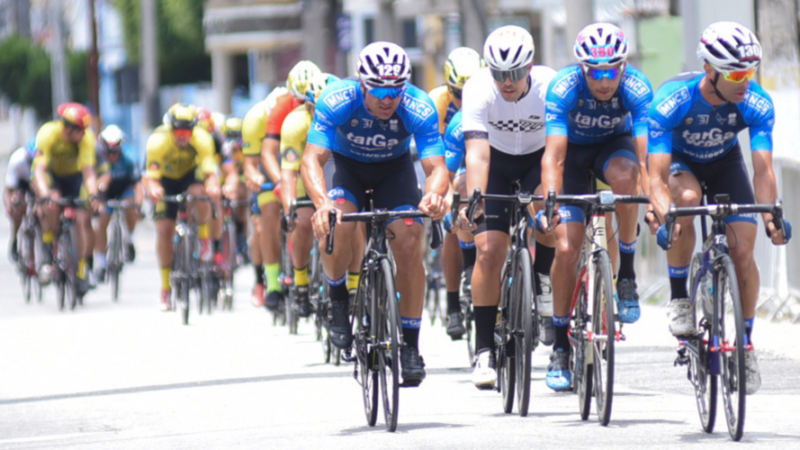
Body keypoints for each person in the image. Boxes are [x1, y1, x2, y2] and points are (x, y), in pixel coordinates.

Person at [648, 22, 790, 395]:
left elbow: (763, 170)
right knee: (688, 203)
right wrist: (664, 214)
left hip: (725, 162)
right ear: (710, 70)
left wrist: (771, 217)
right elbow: (656, 178)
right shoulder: (672, 100)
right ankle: (680, 298)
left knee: (743, 249)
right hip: (681, 163)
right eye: (736, 72)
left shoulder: (756, 102)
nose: (746, 80)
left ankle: (744, 344)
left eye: (751, 70)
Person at [302, 42, 449, 386]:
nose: (387, 99)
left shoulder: (417, 105)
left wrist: (434, 195)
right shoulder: (338, 99)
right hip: (345, 166)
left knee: (410, 240)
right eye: (378, 90)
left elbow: (436, 167)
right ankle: (338, 298)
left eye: (394, 90)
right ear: (362, 84)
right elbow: (312, 159)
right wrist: (322, 202)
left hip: (393, 170)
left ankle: (410, 347)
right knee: (336, 225)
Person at [538, 23, 653, 391]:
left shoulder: (637, 87)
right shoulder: (563, 88)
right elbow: (553, 156)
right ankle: (559, 346)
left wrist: (652, 200)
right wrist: (552, 200)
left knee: (626, 175)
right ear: (582, 69)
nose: (605, 81)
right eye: (595, 72)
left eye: (612, 71)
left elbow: (647, 155)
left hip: (612, 149)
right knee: (568, 249)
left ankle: (628, 276)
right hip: (571, 158)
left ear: (622, 67)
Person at [458, 25, 556, 389]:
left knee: (548, 218)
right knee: (488, 251)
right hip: (495, 163)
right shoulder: (479, 89)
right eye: (500, 74)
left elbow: (557, 152)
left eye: (514, 73)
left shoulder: (549, 86)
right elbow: (477, 152)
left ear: (529, 67)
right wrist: (477, 195)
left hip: (537, 161)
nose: (507, 82)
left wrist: (551, 191)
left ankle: (543, 276)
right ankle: (483, 350)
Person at [243, 61, 322, 311]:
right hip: (277, 165)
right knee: (270, 215)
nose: (302, 107)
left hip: (302, 161)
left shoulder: (318, 104)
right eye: (298, 101)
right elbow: (258, 160)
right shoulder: (267, 113)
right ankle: (273, 283)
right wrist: (275, 181)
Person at [429, 47, 485, 340]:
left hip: (482, 156)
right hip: (448, 160)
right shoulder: (437, 102)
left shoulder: (491, 96)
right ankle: (453, 302)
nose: (465, 100)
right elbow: (437, 159)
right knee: (453, 222)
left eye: (470, 92)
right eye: (458, 93)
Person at [143, 104, 220, 310]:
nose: (183, 136)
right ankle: (165, 289)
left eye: (188, 132)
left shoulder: (202, 139)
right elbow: (151, 179)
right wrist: (154, 189)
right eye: (179, 132)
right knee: (165, 230)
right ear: (171, 130)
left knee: (201, 193)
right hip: (165, 180)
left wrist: (212, 185)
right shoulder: (157, 142)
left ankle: (204, 240)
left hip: (189, 177)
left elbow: (210, 173)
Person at [32, 102, 99, 295]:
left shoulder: (86, 139)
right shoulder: (48, 134)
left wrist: (94, 193)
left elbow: (89, 172)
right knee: (52, 202)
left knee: (80, 219)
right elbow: (39, 169)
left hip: (73, 177)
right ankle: (47, 251)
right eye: (81, 130)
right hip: (51, 176)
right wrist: (44, 194)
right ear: (69, 129)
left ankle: (80, 272)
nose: (84, 134)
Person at [93, 125, 144, 281]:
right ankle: (101, 262)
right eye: (109, 152)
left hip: (125, 189)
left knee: (130, 206)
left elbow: (137, 184)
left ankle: (129, 239)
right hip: (105, 192)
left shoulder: (130, 157)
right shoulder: (96, 158)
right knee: (102, 221)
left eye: (116, 152)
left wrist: (139, 202)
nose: (113, 156)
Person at [219, 116, 250, 262]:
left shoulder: (245, 150)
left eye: (236, 136)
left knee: (243, 192)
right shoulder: (221, 148)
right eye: (229, 136)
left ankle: (240, 233)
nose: (233, 141)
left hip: (239, 183)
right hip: (221, 182)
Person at [4, 140, 37, 263]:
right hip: (20, 183)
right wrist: (10, 205)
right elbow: (9, 189)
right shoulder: (17, 160)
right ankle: (15, 238)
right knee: (17, 206)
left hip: (36, 181)